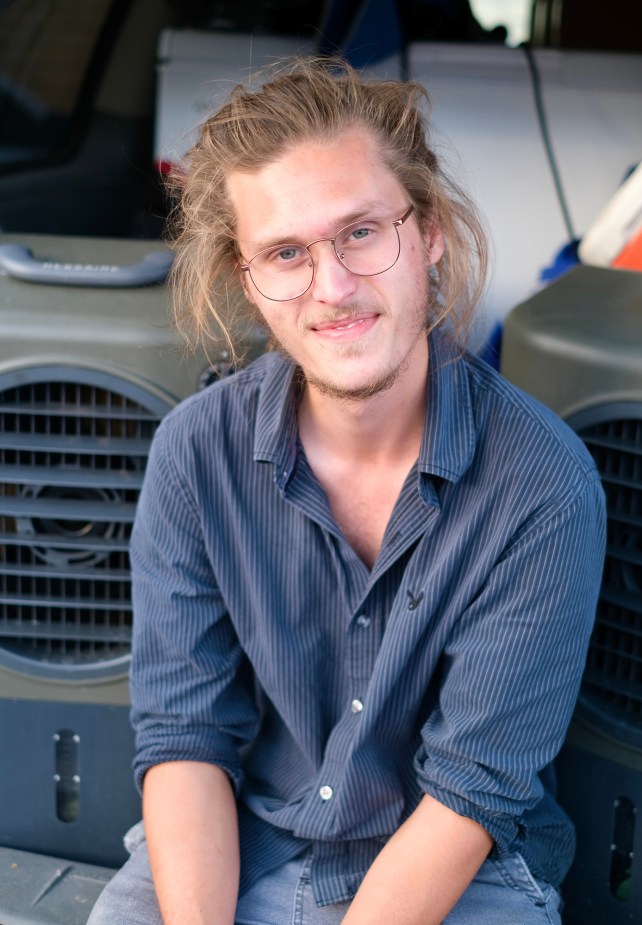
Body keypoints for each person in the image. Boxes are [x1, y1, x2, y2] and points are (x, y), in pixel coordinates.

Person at [88, 57, 605, 925]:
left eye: (362, 232)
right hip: (244, 831)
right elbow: (186, 740)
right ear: (247, 277)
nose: (331, 288)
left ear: (429, 230)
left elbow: (470, 795)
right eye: (286, 252)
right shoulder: (196, 451)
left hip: (460, 870)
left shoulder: (543, 486)